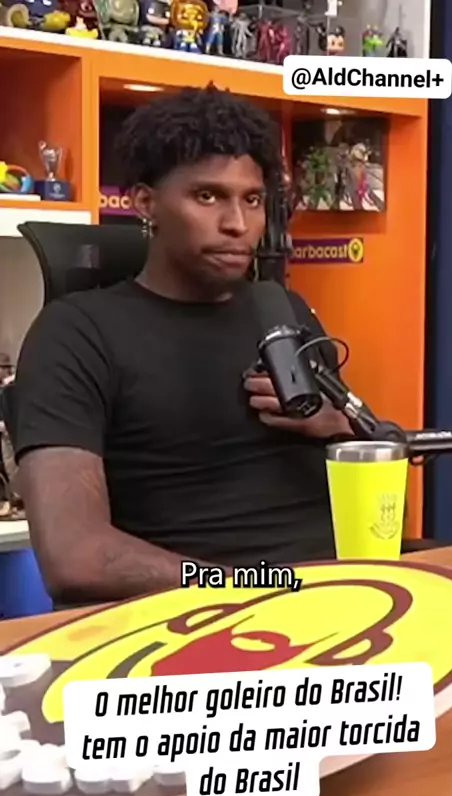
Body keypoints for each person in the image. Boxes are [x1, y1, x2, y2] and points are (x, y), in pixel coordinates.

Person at [13, 86, 353, 605]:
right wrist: (254, 588)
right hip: (194, 617)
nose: (237, 225)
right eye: (208, 196)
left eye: (252, 200)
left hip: (342, 597)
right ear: (145, 202)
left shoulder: (283, 311)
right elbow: (76, 557)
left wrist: (337, 427)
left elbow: (373, 472)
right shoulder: (76, 334)